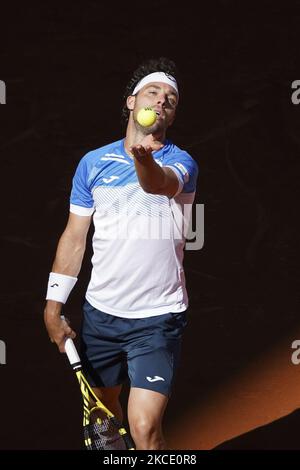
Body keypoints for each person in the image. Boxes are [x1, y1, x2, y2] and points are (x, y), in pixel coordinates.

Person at [44, 57, 198, 450]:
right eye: (153, 92)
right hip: (102, 317)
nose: (162, 100)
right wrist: (53, 304)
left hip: (158, 318)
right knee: (106, 425)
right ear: (132, 102)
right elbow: (75, 237)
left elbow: (159, 187)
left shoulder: (180, 163)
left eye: (171, 99)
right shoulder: (93, 164)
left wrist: (143, 159)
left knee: (145, 429)